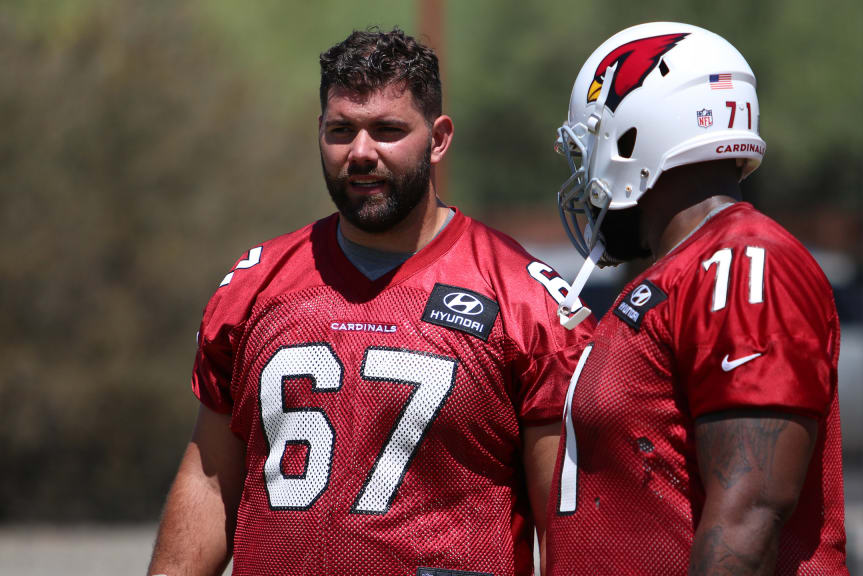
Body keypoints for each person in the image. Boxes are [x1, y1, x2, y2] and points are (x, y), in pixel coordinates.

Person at [148, 27, 592, 576]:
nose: (360, 152)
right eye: (341, 131)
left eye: (386, 130)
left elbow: (567, 521)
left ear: (438, 138)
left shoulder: (522, 298)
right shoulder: (256, 285)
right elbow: (211, 478)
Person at [544, 22, 848, 574]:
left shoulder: (742, 262)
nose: (584, 170)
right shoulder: (680, 272)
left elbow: (749, 516)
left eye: (589, 145)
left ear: (631, 137)